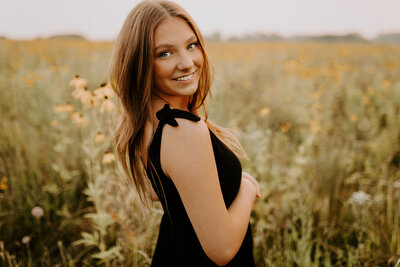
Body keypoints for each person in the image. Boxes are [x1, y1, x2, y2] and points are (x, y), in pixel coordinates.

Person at [108, 0, 260, 266]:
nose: (188, 62)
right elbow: (222, 250)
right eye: (164, 53)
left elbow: (160, 192)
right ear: (140, 62)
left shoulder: (145, 120)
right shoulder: (183, 131)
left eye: (191, 45)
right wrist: (246, 189)